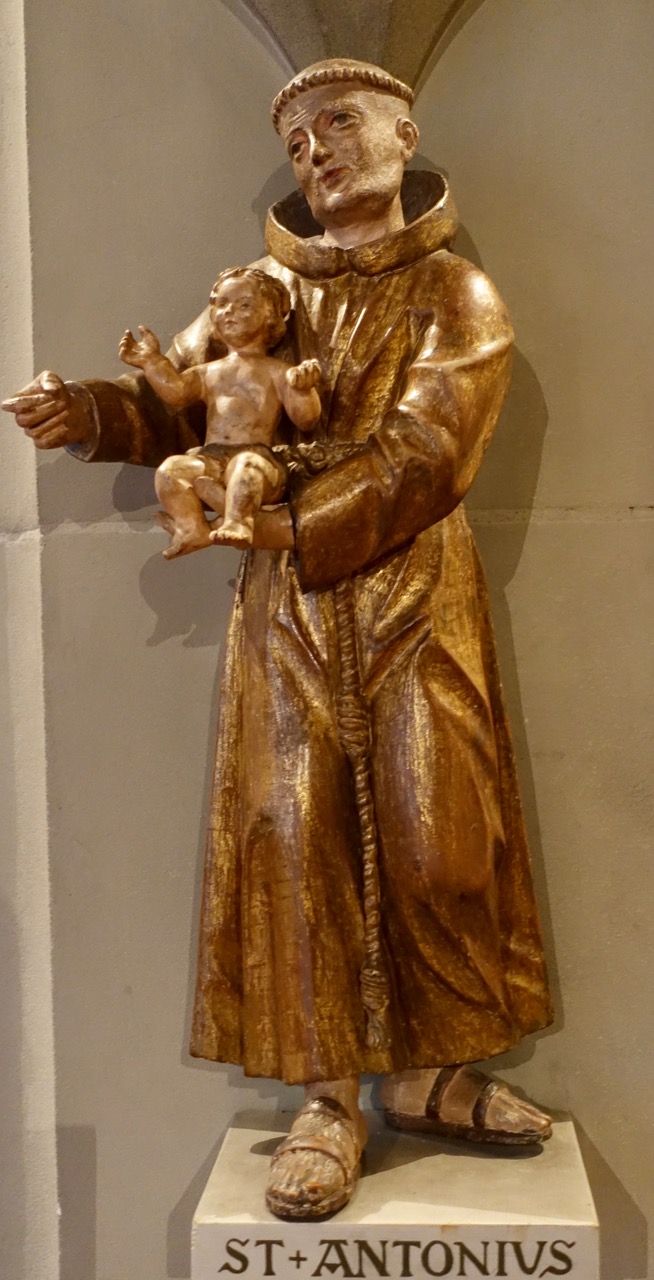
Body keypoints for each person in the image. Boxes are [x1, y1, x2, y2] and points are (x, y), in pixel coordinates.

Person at [2, 58, 554, 1221]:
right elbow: (187, 402)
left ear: (404, 134)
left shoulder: (456, 292)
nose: (318, 153)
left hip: (413, 588)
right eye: (299, 142)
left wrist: (295, 521)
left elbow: (430, 453)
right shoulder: (263, 287)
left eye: (340, 123)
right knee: (296, 831)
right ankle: (327, 1097)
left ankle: (432, 1072)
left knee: (443, 835)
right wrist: (91, 411)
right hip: (290, 602)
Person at [119, 267, 321, 556]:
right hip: (211, 459)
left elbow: (306, 419)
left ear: (270, 316)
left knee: (245, 468)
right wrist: (151, 362)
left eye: (244, 305)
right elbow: (176, 392)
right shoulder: (207, 372)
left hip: (258, 459)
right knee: (170, 471)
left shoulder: (277, 371)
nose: (229, 311)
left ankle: (239, 521)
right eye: (222, 303)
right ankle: (192, 528)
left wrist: (302, 389)